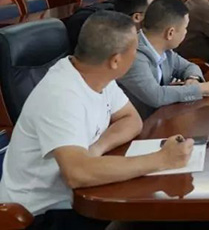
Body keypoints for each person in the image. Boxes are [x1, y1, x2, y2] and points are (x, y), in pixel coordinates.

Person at [0, 12, 193, 229]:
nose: (138, 52)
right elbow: (77, 174)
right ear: (116, 60)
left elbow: (131, 119)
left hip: (80, 197)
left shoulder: (98, 75)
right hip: (40, 216)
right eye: (135, 48)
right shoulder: (61, 95)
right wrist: (161, 159)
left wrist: (97, 148)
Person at [118, 0, 209, 119]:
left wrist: (192, 78)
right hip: (140, 125)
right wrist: (205, 88)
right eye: (185, 28)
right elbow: (156, 96)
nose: (186, 32)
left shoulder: (165, 50)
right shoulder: (134, 56)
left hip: (162, 118)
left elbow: (189, 66)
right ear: (170, 33)